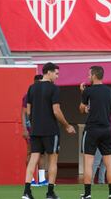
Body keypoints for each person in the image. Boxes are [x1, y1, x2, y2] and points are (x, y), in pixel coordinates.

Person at [22, 62, 76, 199]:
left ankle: (26, 193)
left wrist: (35, 122)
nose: (57, 77)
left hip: (35, 130)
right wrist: (67, 125)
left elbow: (28, 111)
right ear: (49, 72)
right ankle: (50, 193)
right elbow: (56, 111)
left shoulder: (31, 88)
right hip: (51, 130)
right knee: (53, 160)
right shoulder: (54, 89)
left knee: (34, 158)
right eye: (56, 74)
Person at [79, 66, 111, 199]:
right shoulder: (109, 91)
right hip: (106, 129)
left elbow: (82, 109)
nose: (88, 76)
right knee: (109, 163)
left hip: (92, 129)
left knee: (88, 162)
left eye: (89, 74)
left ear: (94, 75)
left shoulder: (87, 91)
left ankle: (88, 194)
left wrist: (83, 92)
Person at [21, 74, 49, 186]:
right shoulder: (28, 95)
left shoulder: (44, 96)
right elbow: (23, 113)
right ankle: (31, 179)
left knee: (42, 153)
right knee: (30, 152)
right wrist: (24, 129)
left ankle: (42, 179)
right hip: (30, 128)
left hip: (41, 128)